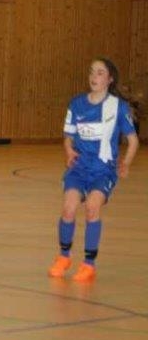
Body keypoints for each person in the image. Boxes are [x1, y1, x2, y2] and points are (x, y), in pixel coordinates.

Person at [48, 58, 139, 282]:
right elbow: (68, 136)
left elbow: (133, 140)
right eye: (91, 72)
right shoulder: (76, 104)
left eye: (100, 73)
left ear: (109, 79)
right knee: (68, 208)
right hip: (79, 169)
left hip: (103, 171)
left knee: (91, 207)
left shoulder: (117, 107)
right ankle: (64, 256)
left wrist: (126, 163)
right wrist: (69, 151)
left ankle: (89, 263)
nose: (93, 77)